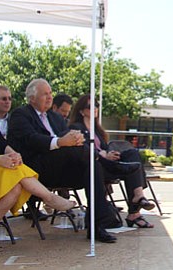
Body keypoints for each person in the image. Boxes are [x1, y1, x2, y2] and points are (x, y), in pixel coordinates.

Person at [7, 79, 118, 243]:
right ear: (32, 98)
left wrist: (76, 138)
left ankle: (96, 226)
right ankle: (112, 168)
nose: (50, 97)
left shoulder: (55, 117)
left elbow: (68, 136)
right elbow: (32, 139)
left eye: (50, 93)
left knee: (92, 168)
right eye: (45, 94)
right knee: (89, 159)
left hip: (64, 167)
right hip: (37, 169)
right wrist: (59, 142)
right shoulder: (21, 114)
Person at [0, 72, 75, 252]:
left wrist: (13, 154)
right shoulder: (17, 114)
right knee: (13, 172)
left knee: (16, 185)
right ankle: (49, 197)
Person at [68, 94, 155, 228]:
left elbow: (104, 148)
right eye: (91, 106)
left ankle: (138, 198)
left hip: (107, 164)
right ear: (81, 111)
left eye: (97, 105)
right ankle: (135, 212)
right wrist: (101, 155)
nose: (95, 108)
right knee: (131, 167)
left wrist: (109, 153)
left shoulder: (97, 130)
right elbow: (81, 150)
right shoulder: (76, 128)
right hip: (92, 167)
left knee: (132, 155)